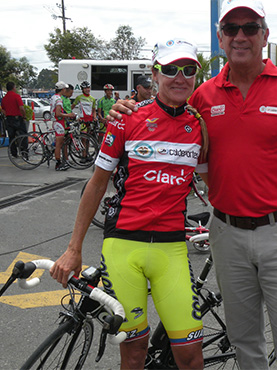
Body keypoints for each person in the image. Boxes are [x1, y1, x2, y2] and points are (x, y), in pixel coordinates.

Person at [109, 1, 277, 368]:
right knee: (244, 340)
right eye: (232, 29)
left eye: (250, 27)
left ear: (265, 35)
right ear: (220, 38)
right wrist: (127, 110)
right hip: (226, 232)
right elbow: (166, 110)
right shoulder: (203, 96)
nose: (241, 36)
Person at [50, 37, 208, 370]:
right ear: (155, 74)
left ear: (196, 74)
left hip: (172, 249)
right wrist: (74, 247)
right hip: (123, 245)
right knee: (134, 350)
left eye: (188, 69)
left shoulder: (199, 126)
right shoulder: (126, 118)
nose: (180, 77)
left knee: (190, 357)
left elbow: (215, 182)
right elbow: (97, 183)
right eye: (170, 69)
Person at [50, 81, 76, 171]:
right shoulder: (59, 99)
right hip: (59, 122)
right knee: (59, 144)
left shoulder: (54, 97)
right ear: (63, 89)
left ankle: (60, 162)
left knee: (60, 143)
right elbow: (58, 113)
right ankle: (58, 164)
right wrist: (68, 115)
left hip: (56, 122)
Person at [1, 82, 27, 157]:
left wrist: (7, 113)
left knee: (11, 137)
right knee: (23, 135)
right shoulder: (16, 96)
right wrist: (24, 116)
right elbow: (21, 108)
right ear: (13, 88)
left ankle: (14, 153)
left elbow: (2, 109)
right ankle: (24, 152)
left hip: (9, 119)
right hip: (17, 118)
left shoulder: (4, 98)